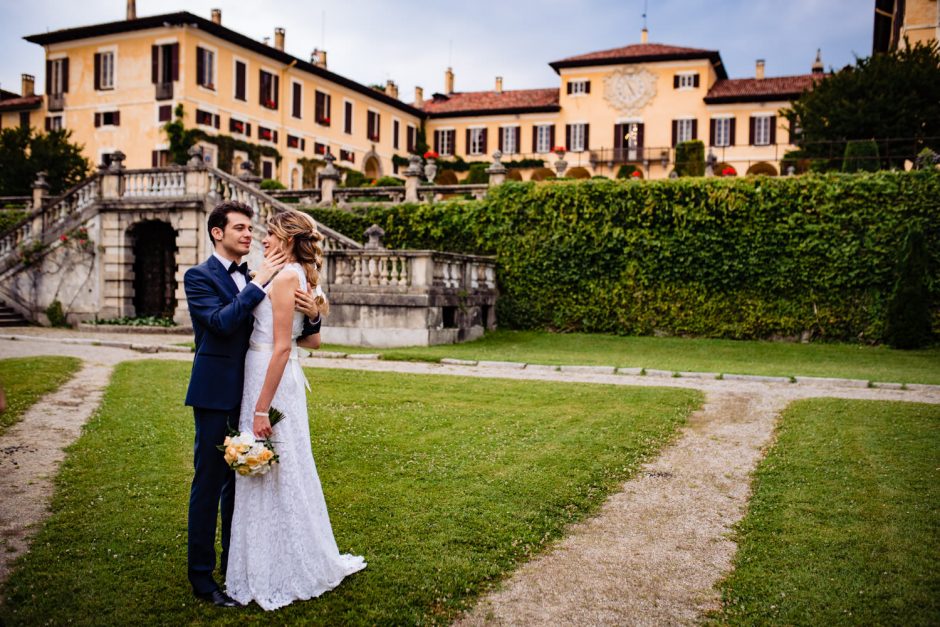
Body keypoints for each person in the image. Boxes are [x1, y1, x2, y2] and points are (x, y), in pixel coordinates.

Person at [184, 201, 323, 607]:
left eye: (252, 229)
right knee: (208, 483)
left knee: (241, 486)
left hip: (252, 389)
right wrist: (257, 281)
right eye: (240, 228)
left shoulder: (257, 275)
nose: (249, 235)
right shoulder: (199, 277)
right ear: (217, 233)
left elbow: (285, 330)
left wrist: (313, 314)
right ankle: (201, 579)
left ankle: (236, 567)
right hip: (215, 393)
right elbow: (223, 323)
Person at [225, 210, 366, 611]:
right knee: (277, 468)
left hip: (270, 379)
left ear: (287, 239)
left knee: (277, 466)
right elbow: (312, 341)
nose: (262, 240)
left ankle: (284, 566)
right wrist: (317, 312)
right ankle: (268, 559)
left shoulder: (288, 277)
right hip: (266, 371)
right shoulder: (293, 275)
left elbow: (285, 346)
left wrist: (259, 409)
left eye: (269, 234)